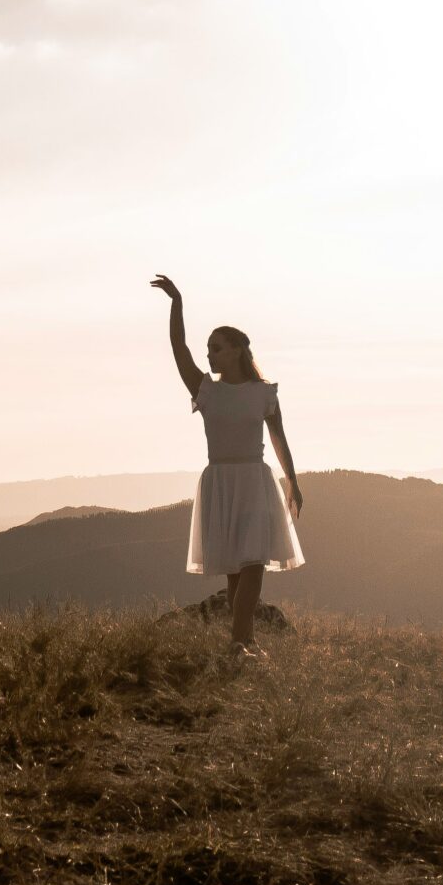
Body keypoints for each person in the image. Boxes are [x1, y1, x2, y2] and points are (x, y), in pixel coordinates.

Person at [150, 273, 303, 655]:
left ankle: (240, 639)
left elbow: (279, 439)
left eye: (216, 348)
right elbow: (178, 346)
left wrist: (293, 483)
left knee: (253, 563)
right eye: (209, 349)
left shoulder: (263, 394)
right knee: (237, 570)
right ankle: (243, 642)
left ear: (236, 350)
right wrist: (176, 303)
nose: (209, 354)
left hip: (254, 481)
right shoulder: (207, 391)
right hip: (220, 481)